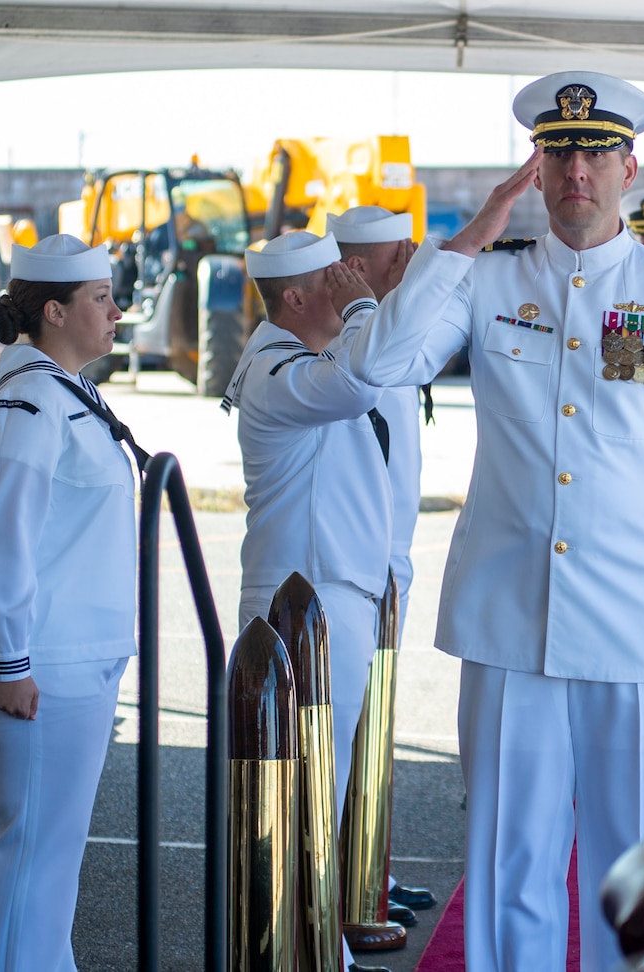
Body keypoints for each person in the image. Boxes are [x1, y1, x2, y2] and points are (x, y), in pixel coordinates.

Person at [343, 71, 644, 972]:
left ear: (629, 166)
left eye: (597, 151)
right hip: (510, 624)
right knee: (507, 864)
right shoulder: (485, 281)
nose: (578, 168)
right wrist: (467, 238)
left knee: (635, 870)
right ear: (535, 165)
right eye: (560, 150)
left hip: (640, 627)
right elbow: (381, 366)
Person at [220, 231, 415, 961]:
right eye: (330, 278)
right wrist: (366, 304)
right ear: (296, 297)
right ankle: (299, 953)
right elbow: (362, 382)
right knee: (298, 803)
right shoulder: (278, 367)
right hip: (303, 603)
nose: (345, 281)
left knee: (318, 804)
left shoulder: (305, 359)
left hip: (337, 592)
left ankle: (317, 949)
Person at [0, 234, 135, 972]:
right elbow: (3, 537)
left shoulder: (62, 387)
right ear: (56, 310)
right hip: (42, 660)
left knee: (54, 851)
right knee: (35, 847)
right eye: (101, 299)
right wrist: (11, 661)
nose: (117, 311)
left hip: (75, 653)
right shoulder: (30, 400)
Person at [325, 204, 438, 916]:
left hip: (389, 563)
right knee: (345, 743)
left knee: (376, 730)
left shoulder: (388, 330)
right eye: (401, 254)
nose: (414, 263)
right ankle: (344, 892)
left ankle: (369, 874)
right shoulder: (347, 345)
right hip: (363, 569)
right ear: (358, 269)